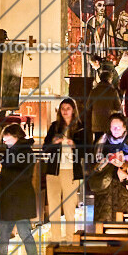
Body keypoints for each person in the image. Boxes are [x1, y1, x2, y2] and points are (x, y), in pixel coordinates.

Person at [0, 123, 38, 255]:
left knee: (23, 233)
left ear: (15, 136)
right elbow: (7, 171)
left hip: (19, 199)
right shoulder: (11, 151)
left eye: (6, 138)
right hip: (9, 199)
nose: (3, 141)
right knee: (3, 235)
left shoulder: (27, 152)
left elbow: (23, 175)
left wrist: (1, 169)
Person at [89, 114, 128, 227]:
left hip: (125, 191)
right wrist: (106, 161)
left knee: (124, 227)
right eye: (113, 127)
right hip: (105, 192)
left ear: (125, 127)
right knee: (104, 228)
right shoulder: (100, 144)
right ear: (109, 128)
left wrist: (126, 162)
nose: (116, 130)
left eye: (119, 127)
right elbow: (93, 168)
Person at [43, 98, 85, 244]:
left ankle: (70, 240)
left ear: (73, 110)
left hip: (71, 172)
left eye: (68, 108)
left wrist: (73, 144)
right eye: (62, 108)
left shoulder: (80, 127)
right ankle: (55, 240)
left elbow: (86, 151)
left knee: (69, 208)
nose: (65, 111)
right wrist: (54, 142)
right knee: (54, 208)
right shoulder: (55, 126)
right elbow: (45, 148)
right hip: (53, 171)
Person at [88, 66, 122, 142]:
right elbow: (118, 108)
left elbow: (88, 106)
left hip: (96, 122)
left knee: (97, 140)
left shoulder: (94, 91)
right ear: (109, 79)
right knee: (108, 142)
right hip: (108, 122)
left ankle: (95, 153)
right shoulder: (112, 91)